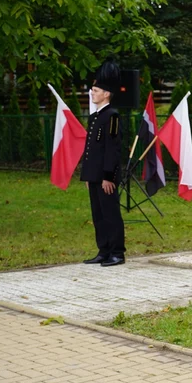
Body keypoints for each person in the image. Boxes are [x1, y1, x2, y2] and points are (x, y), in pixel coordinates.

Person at [80, 58, 126, 267]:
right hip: (94, 175)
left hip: (106, 175)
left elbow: (112, 149)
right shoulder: (94, 117)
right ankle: (103, 250)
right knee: (98, 214)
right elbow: (92, 149)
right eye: (92, 90)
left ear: (106, 94)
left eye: (96, 90)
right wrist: (89, 175)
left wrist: (109, 176)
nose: (92, 93)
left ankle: (117, 252)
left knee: (110, 214)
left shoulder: (113, 116)